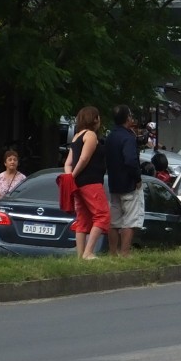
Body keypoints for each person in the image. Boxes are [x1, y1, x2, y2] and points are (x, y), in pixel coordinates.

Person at [64, 106, 109, 259]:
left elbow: (68, 162)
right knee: (102, 215)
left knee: (82, 219)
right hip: (91, 181)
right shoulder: (91, 135)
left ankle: (80, 255)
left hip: (78, 183)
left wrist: (70, 177)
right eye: (98, 117)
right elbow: (84, 158)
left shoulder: (76, 136)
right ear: (94, 119)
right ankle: (89, 252)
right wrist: (74, 175)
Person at [105, 105, 144, 256]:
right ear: (127, 118)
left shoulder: (110, 137)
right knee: (130, 220)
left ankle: (112, 252)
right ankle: (125, 253)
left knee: (114, 221)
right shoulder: (128, 137)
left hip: (114, 183)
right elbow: (130, 160)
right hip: (128, 184)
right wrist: (137, 178)